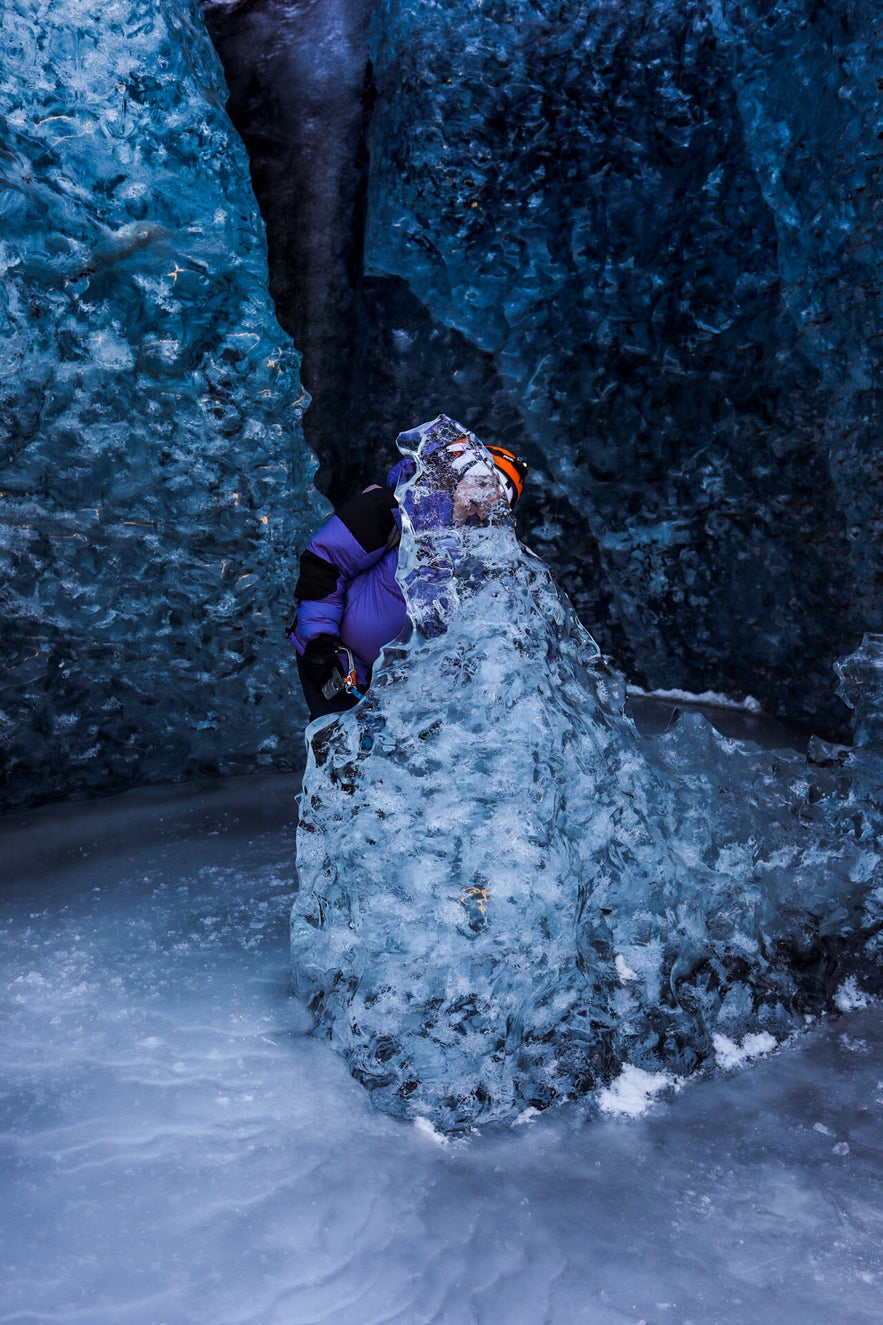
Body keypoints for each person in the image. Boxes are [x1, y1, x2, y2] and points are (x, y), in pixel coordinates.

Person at [289, 415, 528, 719]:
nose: (481, 504)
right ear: (457, 473)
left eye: (496, 502)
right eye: (481, 484)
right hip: (334, 658)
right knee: (333, 745)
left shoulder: (480, 560)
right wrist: (319, 640)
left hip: (394, 689)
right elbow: (324, 563)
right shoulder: (390, 510)